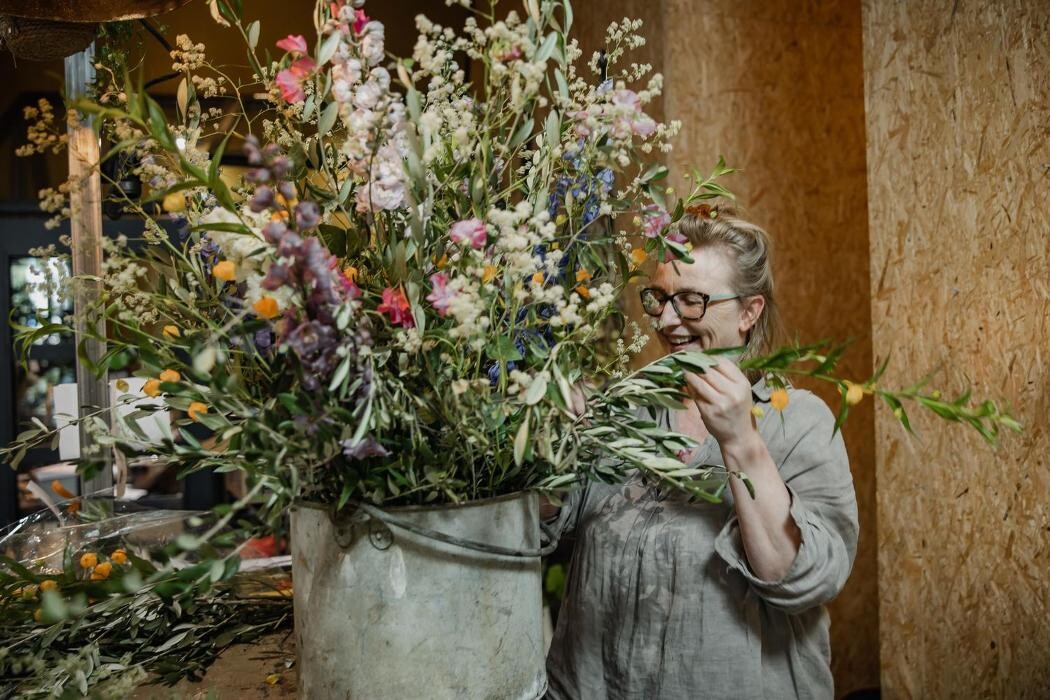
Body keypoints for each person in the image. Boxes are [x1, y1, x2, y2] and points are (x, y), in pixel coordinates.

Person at [544, 202, 859, 699]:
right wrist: (551, 441)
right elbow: (548, 530)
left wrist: (740, 442)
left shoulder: (797, 422)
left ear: (749, 313)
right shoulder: (624, 413)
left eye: (692, 300)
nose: (668, 321)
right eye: (659, 299)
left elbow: (802, 580)